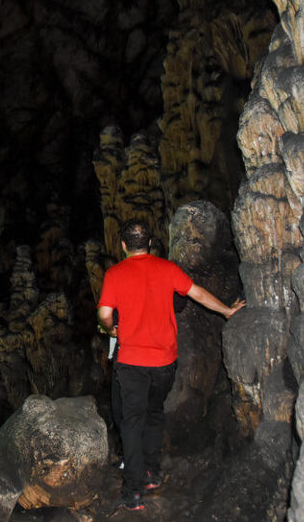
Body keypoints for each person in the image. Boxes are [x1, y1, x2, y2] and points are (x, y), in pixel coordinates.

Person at [98, 219, 245, 512]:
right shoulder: (167, 269)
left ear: (124, 245)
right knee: (154, 415)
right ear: (150, 243)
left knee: (132, 422)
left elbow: (104, 312)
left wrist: (112, 327)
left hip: (131, 363)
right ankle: (152, 473)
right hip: (165, 362)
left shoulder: (115, 274)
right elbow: (198, 293)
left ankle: (133, 490)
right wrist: (227, 310)